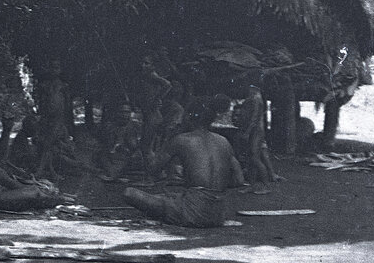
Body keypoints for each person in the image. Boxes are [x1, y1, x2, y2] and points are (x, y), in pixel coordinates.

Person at [123, 97, 244, 228]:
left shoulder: (181, 140)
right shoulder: (224, 141)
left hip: (192, 213)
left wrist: (147, 145)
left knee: (129, 193)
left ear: (188, 117)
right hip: (218, 214)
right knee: (172, 197)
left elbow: (153, 169)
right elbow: (239, 180)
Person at [233, 85, 280, 194]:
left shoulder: (256, 99)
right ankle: (252, 185)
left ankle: (265, 185)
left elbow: (254, 118)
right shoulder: (252, 98)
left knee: (255, 157)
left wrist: (247, 132)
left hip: (255, 131)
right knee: (250, 158)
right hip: (253, 130)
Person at [34, 59, 70, 180]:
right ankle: (48, 170)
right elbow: (42, 103)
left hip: (58, 120)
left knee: (49, 144)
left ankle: (42, 170)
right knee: (46, 144)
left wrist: (64, 123)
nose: (54, 70)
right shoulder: (44, 86)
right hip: (47, 118)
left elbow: (66, 105)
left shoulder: (64, 87)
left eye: (57, 68)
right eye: (52, 67)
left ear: (60, 70)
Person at [96, 100, 142, 180]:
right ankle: (112, 173)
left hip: (125, 156)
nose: (124, 115)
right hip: (110, 155)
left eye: (127, 112)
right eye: (122, 112)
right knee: (101, 157)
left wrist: (125, 146)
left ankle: (113, 174)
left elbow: (134, 146)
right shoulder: (110, 126)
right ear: (117, 113)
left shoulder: (133, 126)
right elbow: (104, 143)